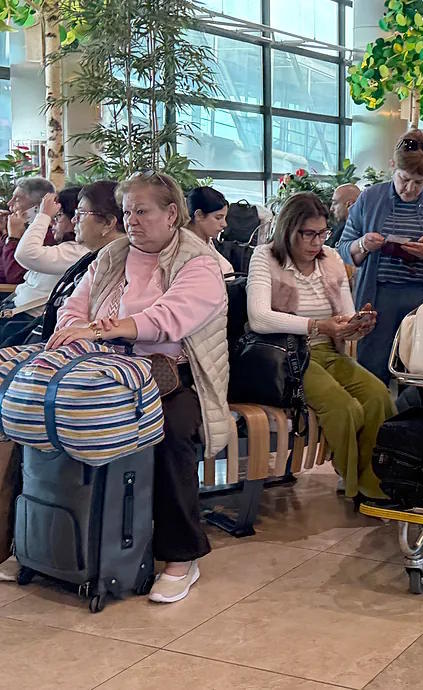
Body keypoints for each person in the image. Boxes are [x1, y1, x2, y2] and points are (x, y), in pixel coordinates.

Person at [50, 171, 230, 605]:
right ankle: (42, 540)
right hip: (104, 370)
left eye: (142, 211)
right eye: (127, 211)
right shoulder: (113, 255)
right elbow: (71, 307)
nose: (132, 220)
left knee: (167, 432)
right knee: (44, 417)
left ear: (171, 214)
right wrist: (79, 328)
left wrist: (100, 330)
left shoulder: (199, 263)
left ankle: (182, 557)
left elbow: (169, 319)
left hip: (172, 374)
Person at [247, 192, 394, 500]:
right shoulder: (265, 256)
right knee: (344, 406)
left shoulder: (330, 259)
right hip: (287, 355)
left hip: (327, 349)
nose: (316, 242)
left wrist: (357, 325)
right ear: (289, 230)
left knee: (378, 395)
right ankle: (357, 486)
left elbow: (345, 316)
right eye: (309, 234)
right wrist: (316, 326)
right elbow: (259, 319)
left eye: (322, 233)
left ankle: (373, 480)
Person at [338, 130, 423, 385]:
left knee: (422, 369)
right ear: (392, 166)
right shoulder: (370, 198)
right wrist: (363, 244)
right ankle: (376, 421)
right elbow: (343, 247)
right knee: (372, 369)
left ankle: (414, 421)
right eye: (404, 179)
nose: (410, 189)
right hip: (377, 295)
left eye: (419, 183)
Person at [0, 187, 88, 344]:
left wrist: (42, 216)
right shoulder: (62, 244)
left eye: (58, 216)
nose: (10, 204)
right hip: (13, 308)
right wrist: (5, 235)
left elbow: (19, 265)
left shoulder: (78, 251)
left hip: (24, 320)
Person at [1, 177, 56, 284]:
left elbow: (16, 277)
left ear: (37, 207)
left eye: (17, 199)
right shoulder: (19, 229)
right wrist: (4, 232)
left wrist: (13, 238)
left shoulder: (46, 236)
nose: (9, 203)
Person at [186, 186, 233, 274]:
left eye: (224, 218)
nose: (224, 224)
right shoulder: (186, 251)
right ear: (199, 215)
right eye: (218, 218)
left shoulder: (206, 241)